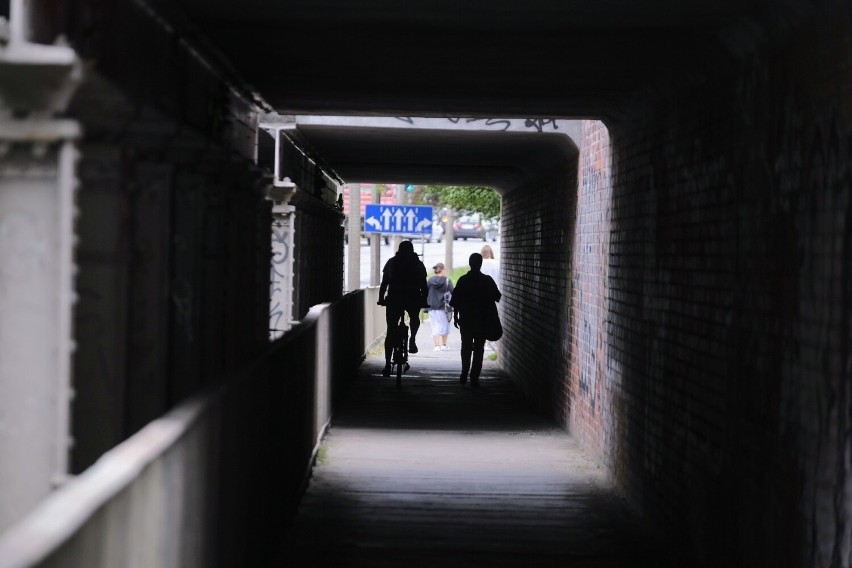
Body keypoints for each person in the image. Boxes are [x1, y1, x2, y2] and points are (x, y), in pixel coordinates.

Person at [450, 253, 501, 387]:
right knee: (479, 349)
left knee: (465, 347)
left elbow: (456, 301)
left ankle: (464, 372)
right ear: (480, 264)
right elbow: (498, 297)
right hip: (482, 320)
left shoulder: (463, 280)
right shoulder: (487, 280)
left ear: (470, 263)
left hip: (466, 319)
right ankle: (474, 377)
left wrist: (456, 317)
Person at [378, 240, 428, 376]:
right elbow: (424, 285)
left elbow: (384, 283)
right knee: (414, 317)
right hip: (413, 297)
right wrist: (424, 300)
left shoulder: (392, 262)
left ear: (399, 250)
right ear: (412, 250)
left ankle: (388, 365)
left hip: (394, 298)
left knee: (391, 330)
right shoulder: (418, 264)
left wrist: (381, 298)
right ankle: (412, 340)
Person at [426, 262, 454, 351]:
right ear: (442, 270)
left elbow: (425, 292)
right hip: (444, 307)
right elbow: (453, 292)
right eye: (445, 269)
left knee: (434, 326)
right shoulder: (447, 281)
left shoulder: (429, 281)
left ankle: (436, 346)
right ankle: (444, 345)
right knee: (445, 325)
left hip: (432, 307)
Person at [480, 244, 500, 351]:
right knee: (492, 317)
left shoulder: (480, 264)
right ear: (491, 253)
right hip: (493, 294)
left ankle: (482, 341)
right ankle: (489, 342)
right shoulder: (497, 263)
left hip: (481, 295)